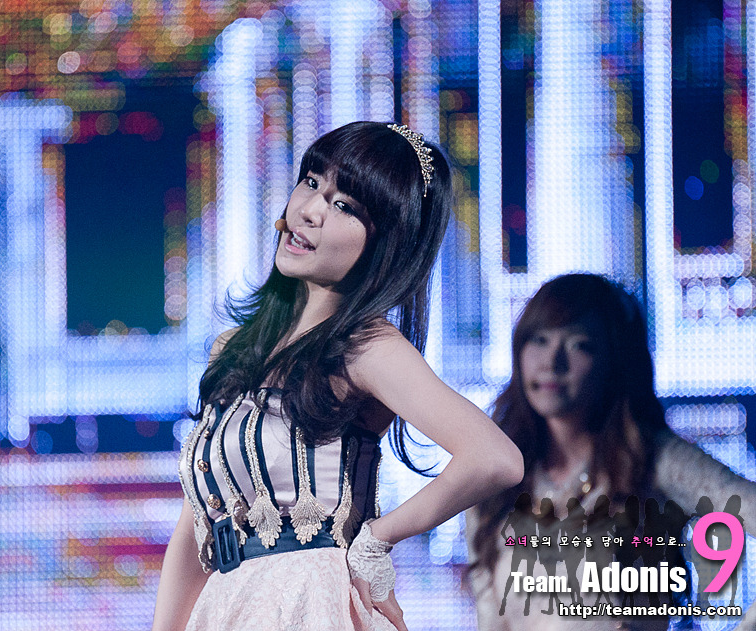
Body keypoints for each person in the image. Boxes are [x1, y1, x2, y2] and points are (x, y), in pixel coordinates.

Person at [151, 121, 524, 631]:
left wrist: (377, 539)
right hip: (227, 608)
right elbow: (195, 525)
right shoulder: (232, 349)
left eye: (344, 205)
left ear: (385, 243)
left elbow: (495, 458)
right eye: (311, 181)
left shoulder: (365, 348)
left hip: (311, 605)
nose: (309, 210)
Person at [467, 273, 756, 630]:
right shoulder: (498, 479)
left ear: (613, 361)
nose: (551, 362)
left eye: (579, 344)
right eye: (539, 339)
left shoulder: (652, 458)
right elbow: (490, 619)